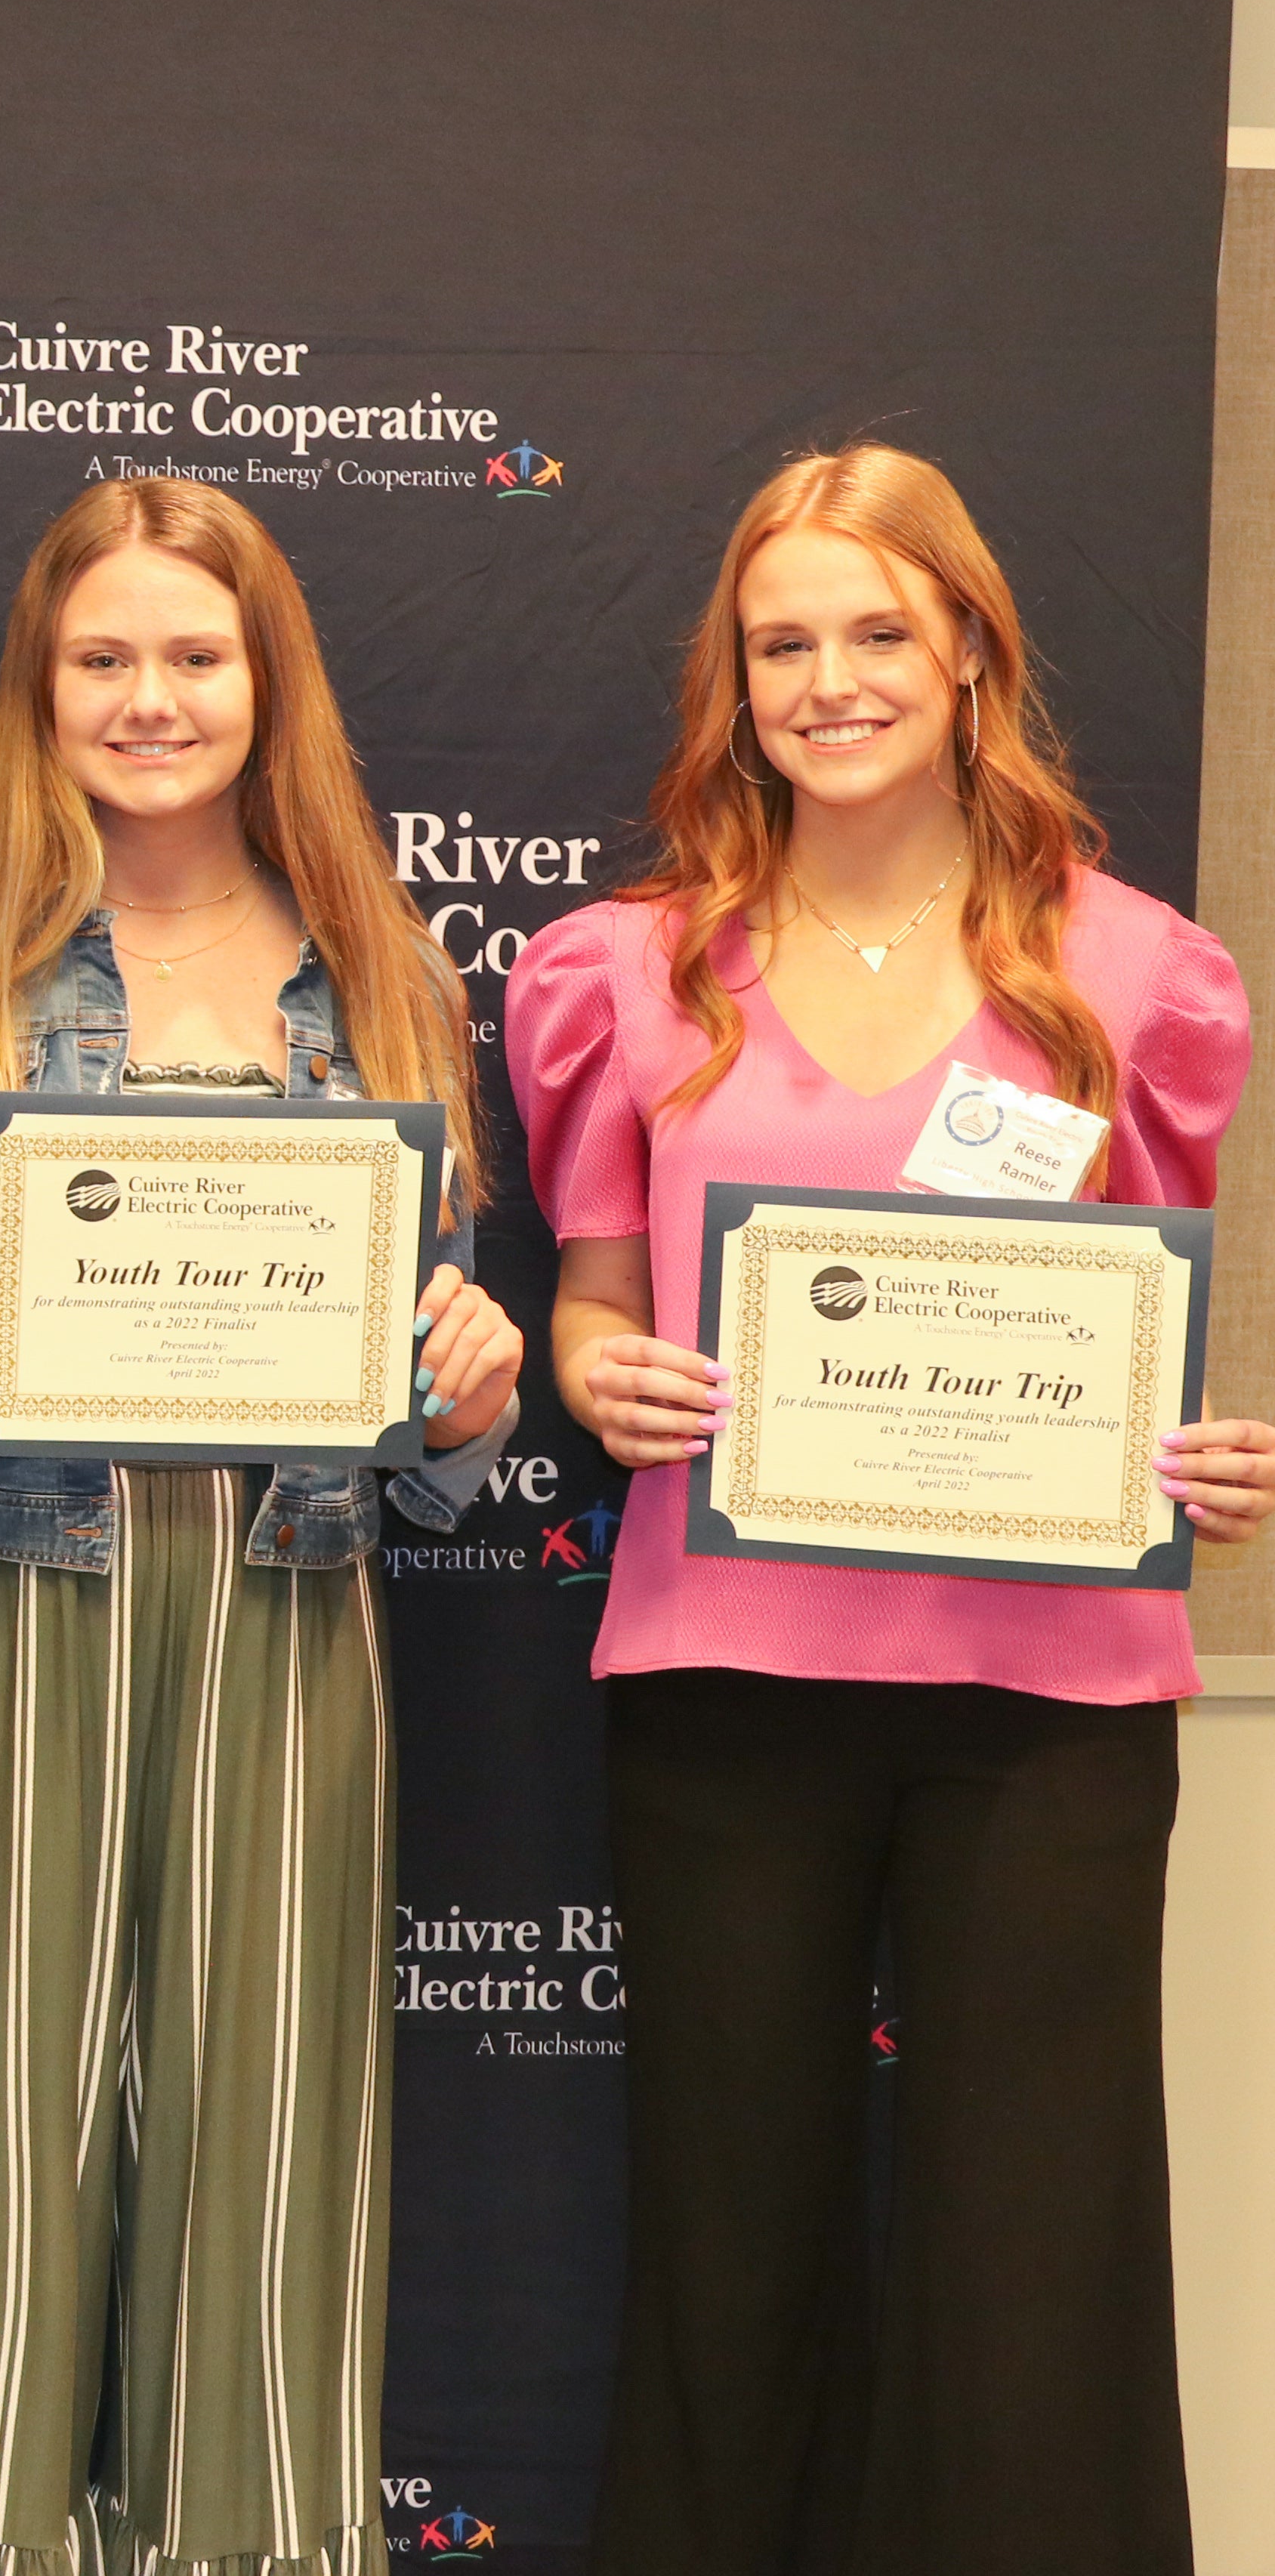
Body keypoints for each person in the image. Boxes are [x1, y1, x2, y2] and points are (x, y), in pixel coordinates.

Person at [0, 475, 525, 2576]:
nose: (150, 699)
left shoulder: (388, 986)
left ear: (270, 689)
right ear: (39, 687)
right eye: (106, 659)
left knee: (271, 2169)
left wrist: (475, 1380)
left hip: (286, 1617)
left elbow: (441, 1394)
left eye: (195, 657)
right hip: (3, 1608)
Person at [504, 444, 1267, 2576]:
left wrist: (1206, 1463)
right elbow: (589, 1299)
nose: (828, 681)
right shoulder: (623, 976)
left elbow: (1141, 1336)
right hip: (727, 1673)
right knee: (728, 2246)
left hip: (1050, 1700)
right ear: (733, 682)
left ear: (967, 659)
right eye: (782, 644)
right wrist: (599, 1375)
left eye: (874, 634)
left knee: (1036, 2262)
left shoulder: (1143, 979)